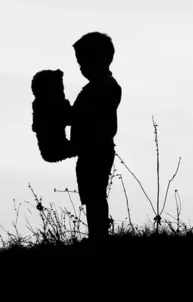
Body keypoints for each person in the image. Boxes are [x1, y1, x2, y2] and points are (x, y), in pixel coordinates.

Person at [64, 32, 122, 241]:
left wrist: (67, 114)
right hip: (89, 150)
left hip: (98, 149)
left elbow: (87, 116)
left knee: (95, 195)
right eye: (79, 63)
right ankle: (96, 235)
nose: (81, 67)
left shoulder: (107, 87)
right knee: (91, 195)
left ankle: (99, 236)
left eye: (84, 62)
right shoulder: (94, 88)